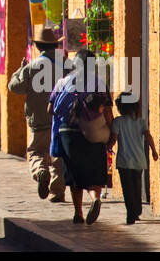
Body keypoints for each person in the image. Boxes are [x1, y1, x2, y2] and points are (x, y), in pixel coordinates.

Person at [48, 47, 114, 225]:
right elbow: (107, 112)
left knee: (74, 173)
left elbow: (50, 109)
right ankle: (94, 199)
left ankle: (78, 212)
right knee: (94, 171)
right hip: (94, 132)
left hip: (68, 132)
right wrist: (112, 133)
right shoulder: (99, 83)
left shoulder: (63, 82)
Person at [9, 25, 68, 201]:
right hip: (60, 117)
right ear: (55, 46)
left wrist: (20, 70)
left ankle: (40, 171)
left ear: (37, 47)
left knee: (36, 151)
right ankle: (57, 190)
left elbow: (15, 87)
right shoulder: (65, 65)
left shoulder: (32, 67)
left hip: (38, 119)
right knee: (57, 154)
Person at [112, 91, 158, 225]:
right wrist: (154, 151)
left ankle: (130, 213)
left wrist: (107, 147)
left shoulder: (118, 122)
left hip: (124, 161)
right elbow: (148, 136)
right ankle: (136, 210)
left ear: (121, 107)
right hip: (139, 160)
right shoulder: (141, 122)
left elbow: (113, 139)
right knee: (137, 187)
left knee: (127, 189)